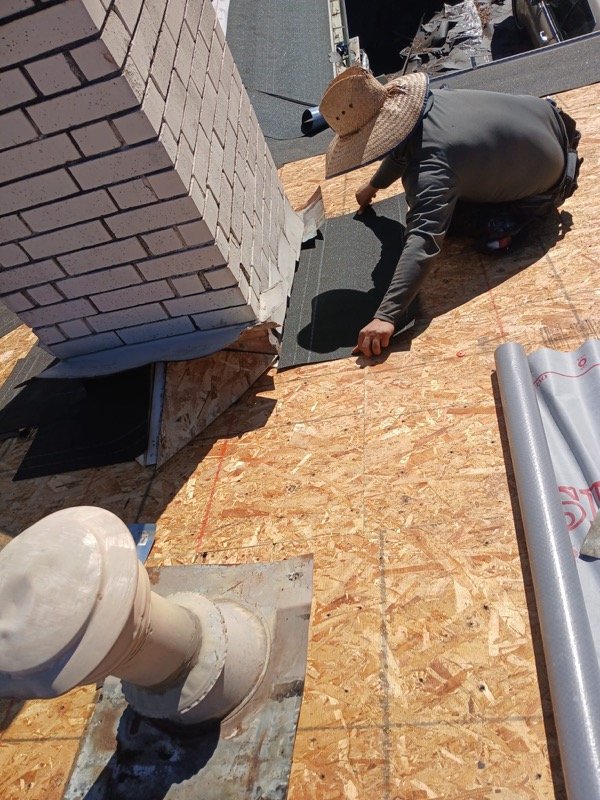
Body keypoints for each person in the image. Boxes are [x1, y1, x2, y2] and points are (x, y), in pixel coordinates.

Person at [319, 67, 581, 357]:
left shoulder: (431, 170)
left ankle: (508, 224)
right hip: (552, 121)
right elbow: (403, 146)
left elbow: (424, 238)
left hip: (553, 181)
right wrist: (374, 185)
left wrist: (386, 316)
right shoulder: (430, 102)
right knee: (450, 184)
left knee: (450, 220)